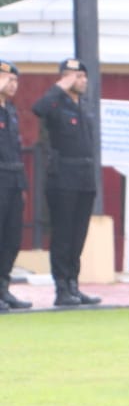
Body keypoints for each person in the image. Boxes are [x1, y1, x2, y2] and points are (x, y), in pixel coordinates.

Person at [31, 57, 100, 306]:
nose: (80, 81)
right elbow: (38, 109)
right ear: (62, 77)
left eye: (82, 76)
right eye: (74, 76)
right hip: (62, 178)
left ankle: (74, 284)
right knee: (62, 235)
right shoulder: (54, 103)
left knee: (77, 236)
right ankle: (61, 287)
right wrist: (61, 86)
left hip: (84, 177)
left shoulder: (84, 105)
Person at [0, 61, 30, 312]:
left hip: (12, 180)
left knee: (11, 239)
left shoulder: (10, 111)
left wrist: (22, 186)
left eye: (14, 80)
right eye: (6, 78)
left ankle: (3, 289)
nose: (11, 84)